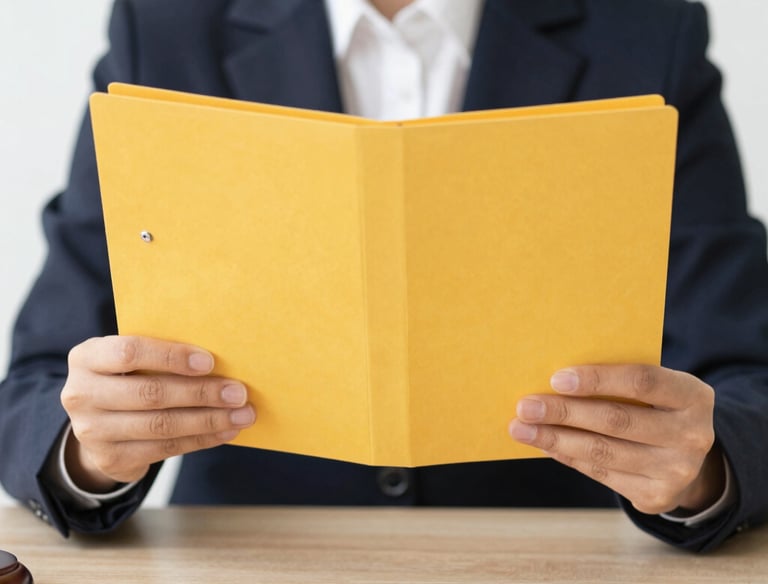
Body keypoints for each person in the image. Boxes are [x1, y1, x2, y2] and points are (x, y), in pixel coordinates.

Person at [1, 0, 767, 553]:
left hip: (551, 560)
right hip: (253, 562)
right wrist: (91, 453)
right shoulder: (165, 30)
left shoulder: (645, 31)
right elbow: (35, 384)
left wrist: (701, 472)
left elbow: (748, 375)